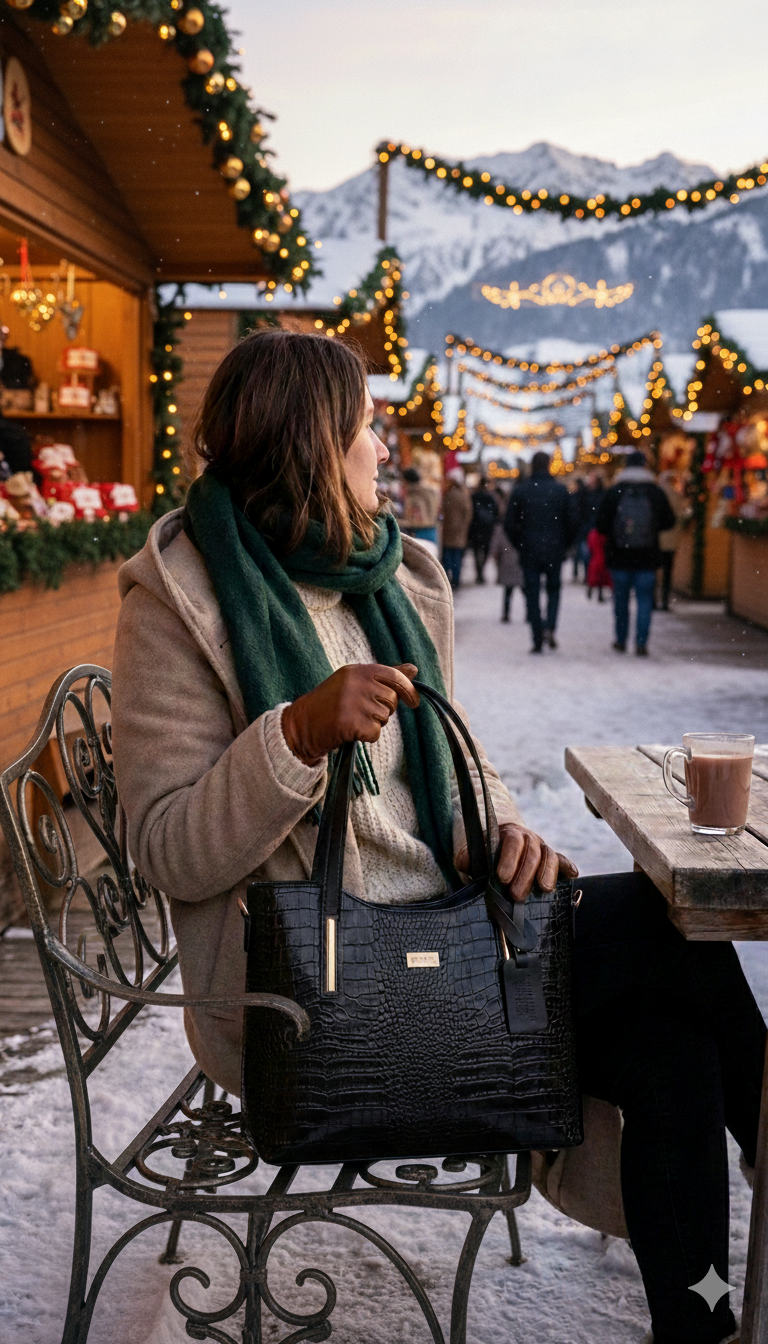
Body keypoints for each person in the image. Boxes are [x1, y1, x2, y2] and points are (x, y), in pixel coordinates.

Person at [112, 332, 761, 1344]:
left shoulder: (392, 578)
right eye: (371, 428)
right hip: (315, 994)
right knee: (663, 921)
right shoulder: (182, 600)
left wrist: (502, 829)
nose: (387, 448)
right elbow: (167, 847)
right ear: (316, 444)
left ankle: (707, 1322)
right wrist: (293, 734)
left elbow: (459, 760)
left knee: (669, 1048)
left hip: (442, 931)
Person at [596, 450, 675, 656]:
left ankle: (621, 639)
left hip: (619, 556)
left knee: (621, 600)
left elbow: (601, 525)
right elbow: (669, 521)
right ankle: (641, 642)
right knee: (645, 600)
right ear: (644, 466)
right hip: (647, 556)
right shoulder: (655, 492)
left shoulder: (615, 492)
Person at [504, 450, 580, 653]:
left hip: (529, 549)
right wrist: (565, 544)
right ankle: (550, 627)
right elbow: (573, 522)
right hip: (554, 549)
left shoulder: (521, 491)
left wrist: (520, 543)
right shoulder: (561, 491)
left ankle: (537, 636)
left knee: (533, 593)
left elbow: (509, 523)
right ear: (548, 465)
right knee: (554, 590)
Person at [657, 469, 687, 611]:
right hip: (671, 539)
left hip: (657, 539)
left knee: (655, 570)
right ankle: (664, 600)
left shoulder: (657, 495)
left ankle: (653, 599)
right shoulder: (676, 496)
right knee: (668, 571)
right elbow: (680, 516)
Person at [440, 466, 473, 590]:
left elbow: (444, 511)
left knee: (448, 555)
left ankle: (449, 579)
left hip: (449, 530)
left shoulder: (449, 495)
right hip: (460, 531)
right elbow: (468, 513)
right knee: (457, 557)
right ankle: (456, 580)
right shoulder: (464, 496)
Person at [489, 517, 524, 622]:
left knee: (508, 590)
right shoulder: (524, 526)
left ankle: (506, 613)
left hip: (506, 562)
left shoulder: (502, 528)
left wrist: (496, 558)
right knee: (525, 590)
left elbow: (495, 547)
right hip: (520, 561)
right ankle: (530, 612)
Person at [400, 465, 440, 552]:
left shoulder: (413, 495)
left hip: (419, 534)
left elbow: (414, 519)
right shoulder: (431, 491)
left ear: (407, 481)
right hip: (432, 532)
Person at [468, 478, 499, 582]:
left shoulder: (473, 496)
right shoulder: (491, 497)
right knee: (486, 550)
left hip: (476, 527)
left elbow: (470, 512)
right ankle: (481, 571)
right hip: (487, 527)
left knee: (476, 550)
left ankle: (479, 572)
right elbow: (496, 512)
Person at [585, 526, 612, 602]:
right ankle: (599, 594)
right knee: (602, 578)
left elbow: (590, 546)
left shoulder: (592, 534)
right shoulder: (606, 534)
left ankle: (590, 590)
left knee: (593, 577)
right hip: (604, 558)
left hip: (594, 558)